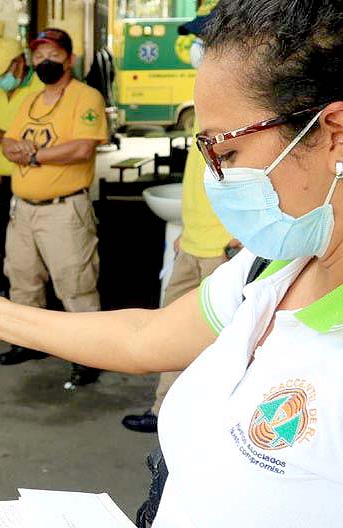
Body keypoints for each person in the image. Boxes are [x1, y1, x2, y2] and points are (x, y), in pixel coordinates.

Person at [0, 1, 343, 528]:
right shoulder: (287, 259)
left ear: (335, 134)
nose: (215, 180)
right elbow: (147, 336)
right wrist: (2, 318)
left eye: (226, 154)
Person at [121, 10, 232, 433]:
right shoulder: (209, 96)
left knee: (222, 342)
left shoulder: (246, 102)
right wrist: (187, 230)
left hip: (226, 247)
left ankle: (214, 426)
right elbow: (199, 177)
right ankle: (163, 413)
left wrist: (239, 240)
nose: (196, 50)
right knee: (171, 330)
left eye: (205, 41)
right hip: (196, 241)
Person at [0, 28, 108, 387]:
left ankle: (88, 354)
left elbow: (81, 149)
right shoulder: (29, 99)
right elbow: (8, 141)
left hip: (64, 211)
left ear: (70, 59)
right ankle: (29, 342)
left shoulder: (85, 97)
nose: (45, 62)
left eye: (53, 54)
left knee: (75, 284)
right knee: (23, 279)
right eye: (39, 56)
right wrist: (19, 149)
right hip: (23, 209)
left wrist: (33, 155)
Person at [0, 37, 45, 295]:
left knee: (28, 242)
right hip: (1, 176)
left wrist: (5, 135)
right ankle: (1, 281)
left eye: (3, 72)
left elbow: (44, 137)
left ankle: (30, 292)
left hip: (30, 176)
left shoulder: (41, 89)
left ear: (19, 63)